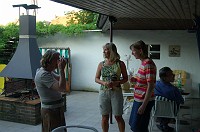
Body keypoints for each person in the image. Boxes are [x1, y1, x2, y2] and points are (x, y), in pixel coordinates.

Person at [95, 42, 128, 132]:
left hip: (116, 92)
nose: (104, 52)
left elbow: (125, 78)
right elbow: (96, 79)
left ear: (112, 51)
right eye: (103, 50)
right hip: (103, 93)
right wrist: (104, 83)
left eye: (106, 49)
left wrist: (117, 82)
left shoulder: (120, 64)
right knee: (104, 117)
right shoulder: (101, 64)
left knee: (118, 116)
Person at [34, 50, 67, 132]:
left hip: (55, 108)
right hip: (50, 110)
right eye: (57, 59)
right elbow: (62, 87)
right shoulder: (43, 74)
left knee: (60, 130)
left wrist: (61, 69)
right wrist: (62, 69)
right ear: (49, 61)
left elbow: (60, 79)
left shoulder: (48, 72)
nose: (59, 61)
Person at [129, 40, 157, 132]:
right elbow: (144, 80)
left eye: (133, 51)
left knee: (139, 127)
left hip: (144, 101)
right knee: (134, 125)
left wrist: (144, 105)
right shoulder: (143, 62)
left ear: (140, 50)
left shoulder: (148, 63)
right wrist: (134, 79)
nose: (132, 53)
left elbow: (151, 85)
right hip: (138, 99)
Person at [155, 67, 184, 132]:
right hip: (171, 112)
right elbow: (182, 101)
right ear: (164, 78)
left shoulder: (155, 85)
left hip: (156, 110)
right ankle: (164, 124)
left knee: (163, 106)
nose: (174, 76)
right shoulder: (174, 90)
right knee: (171, 106)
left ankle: (162, 123)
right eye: (171, 75)